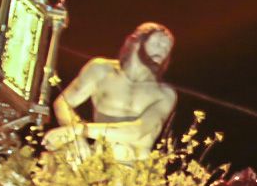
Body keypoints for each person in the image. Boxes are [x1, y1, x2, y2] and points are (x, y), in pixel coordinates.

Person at [42, 21, 178, 160]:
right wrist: (75, 139)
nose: (163, 49)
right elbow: (63, 103)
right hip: (98, 157)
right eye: (158, 43)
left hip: (132, 165)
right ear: (137, 41)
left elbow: (138, 131)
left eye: (167, 47)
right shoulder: (101, 70)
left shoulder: (163, 94)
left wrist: (79, 130)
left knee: (120, 151)